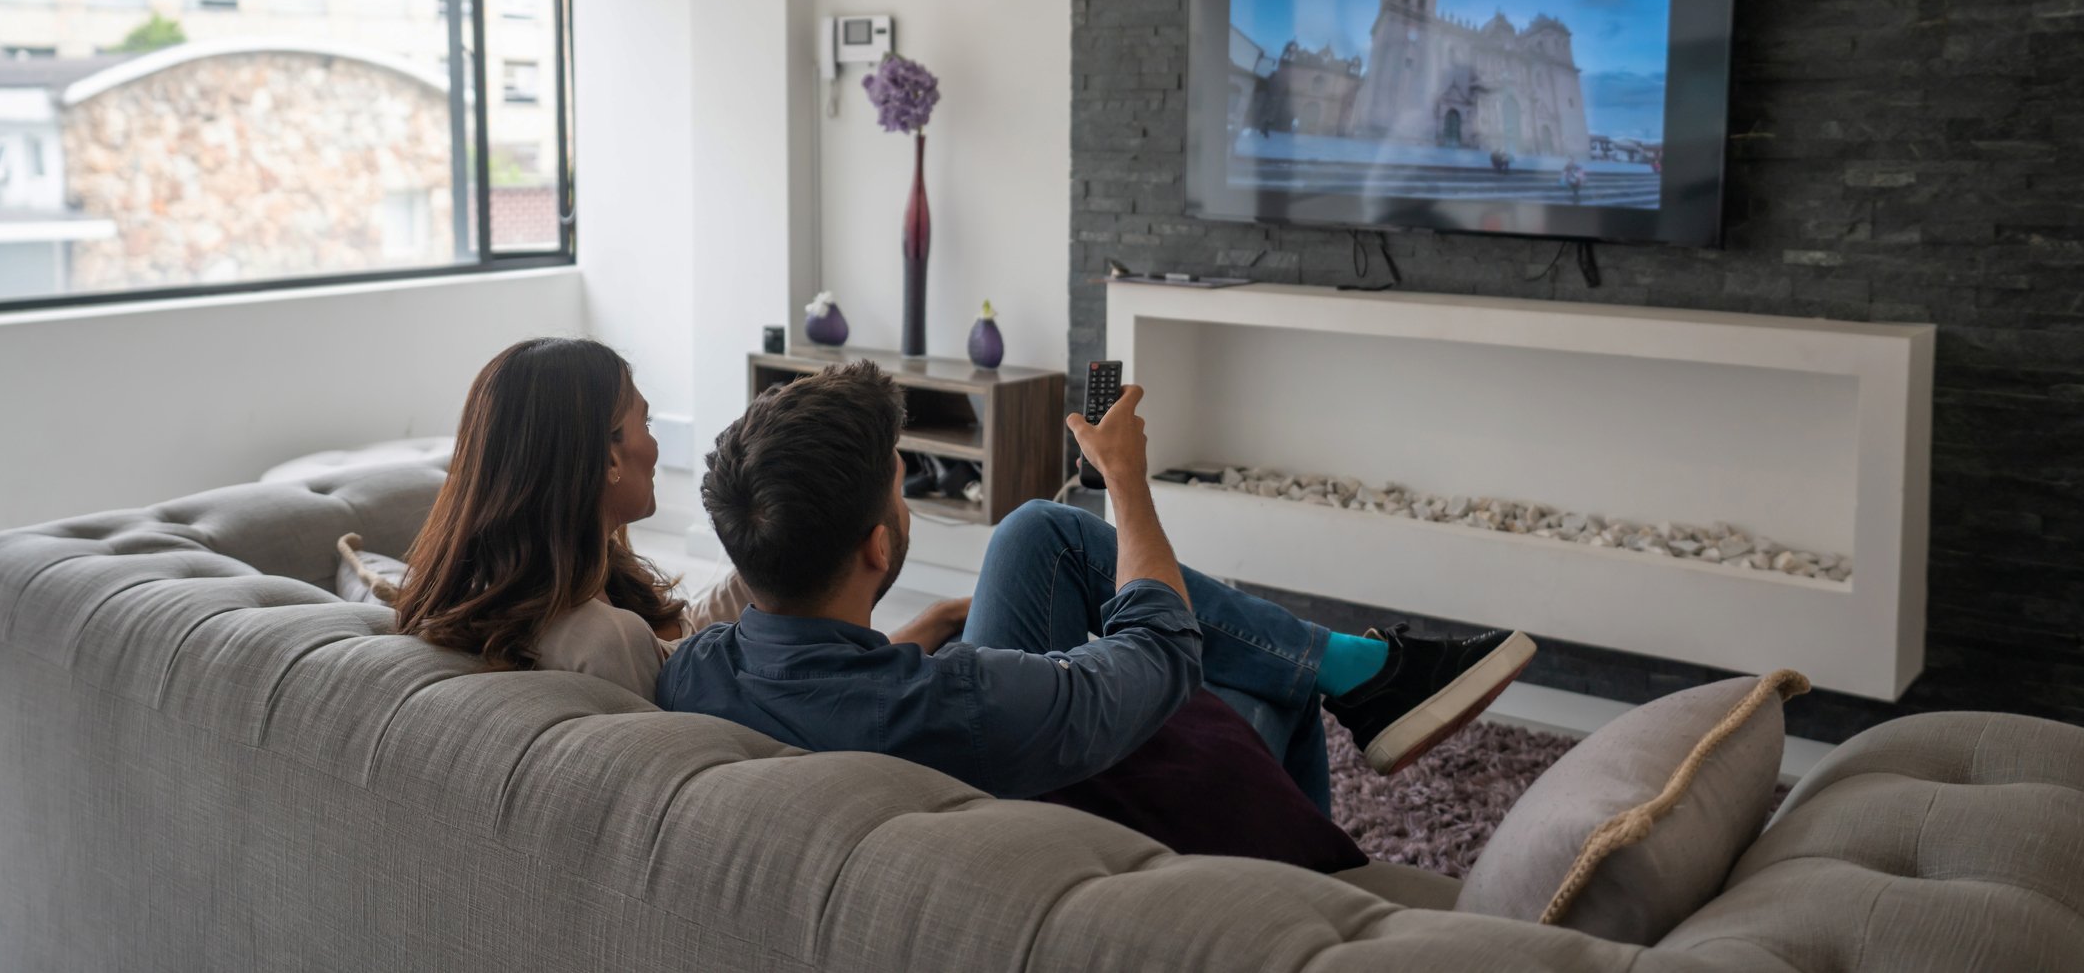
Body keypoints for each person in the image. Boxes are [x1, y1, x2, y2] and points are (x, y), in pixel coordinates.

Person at [660, 361, 1536, 812]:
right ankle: (1321, 831)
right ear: (880, 548)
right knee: (1267, 690)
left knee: (1036, 531)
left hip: (916, 729)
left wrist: (922, 624)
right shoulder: (962, 699)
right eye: (903, 478)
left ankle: (1359, 673)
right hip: (1043, 823)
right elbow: (1161, 651)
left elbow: (822, 683)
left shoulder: (692, 671)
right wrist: (1124, 480)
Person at [391, 338, 963, 699]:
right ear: (611, 456)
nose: (656, 445)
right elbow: (791, 696)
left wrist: (777, 533)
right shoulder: (606, 645)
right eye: (647, 422)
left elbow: (688, 634)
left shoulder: (486, 592)